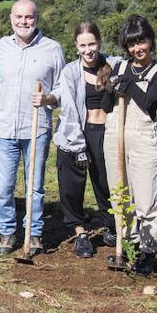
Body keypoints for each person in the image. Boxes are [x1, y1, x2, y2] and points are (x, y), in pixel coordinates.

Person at [0, 0, 66, 256]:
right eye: (19, 17)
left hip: (36, 127)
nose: (23, 22)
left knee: (34, 185)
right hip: (3, 127)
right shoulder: (1, 46)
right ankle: (7, 232)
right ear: (11, 18)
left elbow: (62, 88)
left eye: (29, 17)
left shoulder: (52, 49)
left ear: (37, 19)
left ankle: (33, 234)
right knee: (3, 187)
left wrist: (47, 99)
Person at [102, 15, 157, 274]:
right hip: (115, 133)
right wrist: (109, 89)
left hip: (142, 137)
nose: (137, 49)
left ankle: (147, 251)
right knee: (120, 193)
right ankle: (126, 244)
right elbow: (106, 106)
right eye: (132, 44)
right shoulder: (119, 67)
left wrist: (129, 84)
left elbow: (148, 102)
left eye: (141, 42)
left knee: (146, 198)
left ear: (150, 41)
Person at [54, 21, 121, 259]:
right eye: (82, 45)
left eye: (91, 44)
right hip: (76, 133)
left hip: (106, 133)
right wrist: (79, 147)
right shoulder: (70, 71)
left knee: (106, 183)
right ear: (76, 46)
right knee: (71, 185)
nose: (88, 50)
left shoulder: (114, 65)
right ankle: (81, 233)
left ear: (99, 42)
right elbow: (70, 110)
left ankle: (113, 226)